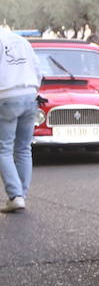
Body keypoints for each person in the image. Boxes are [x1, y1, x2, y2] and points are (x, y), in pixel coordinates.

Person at [0, 29, 43, 213]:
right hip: (30, 94)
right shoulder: (21, 41)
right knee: (24, 148)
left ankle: (15, 195)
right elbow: (37, 69)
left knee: (4, 148)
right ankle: (22, 195)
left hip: (6, 95)